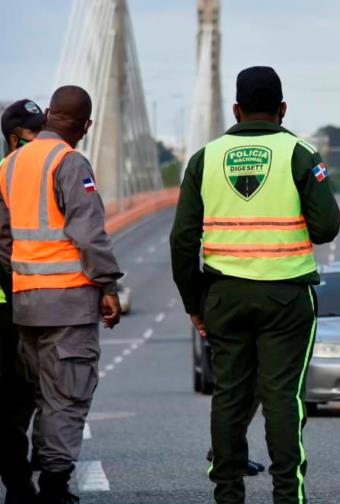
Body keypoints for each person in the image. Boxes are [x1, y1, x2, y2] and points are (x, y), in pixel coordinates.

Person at [170, 66, 340, 504]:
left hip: (224, 296)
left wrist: (195, 303)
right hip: (286, 296)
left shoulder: (204, 158)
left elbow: (183, 239)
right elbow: (326, 228)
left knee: (228, 395)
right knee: (283, 398)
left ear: (236, 108)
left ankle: (228, 494)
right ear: (283, 109)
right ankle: (288, 495)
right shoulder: (300, 154)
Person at [0, 86, 123, 504]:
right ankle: (54, 484)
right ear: (86, 126)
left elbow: (4, 238)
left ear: (50, 113)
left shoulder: (10, 165)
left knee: (39, 394)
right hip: (68, 301)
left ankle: (26, 481)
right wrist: (107, 285)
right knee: (66, 396)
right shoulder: (70, 163)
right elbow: (89, 232)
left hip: (25, 302)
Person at [0, 98, 46, 504]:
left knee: (23, 396)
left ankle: (20, 485)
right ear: (14, 139)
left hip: (29, 303)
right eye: (34, 134)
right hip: (8, 304)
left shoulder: (46, 172)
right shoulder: (4, 177)